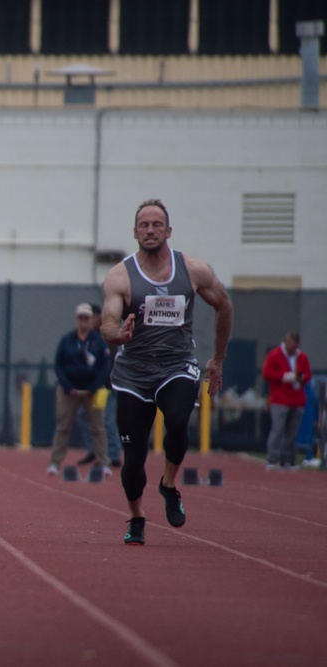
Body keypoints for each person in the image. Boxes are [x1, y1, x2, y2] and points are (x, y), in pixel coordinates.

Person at [101, 199, 233, 546]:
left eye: (156, 224)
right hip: (133, 373)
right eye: (143, 225)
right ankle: (137, 515)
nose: (149, 230)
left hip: (176, 365)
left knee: (177, 420)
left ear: (168, 231)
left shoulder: (192, 270)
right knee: (133, 459)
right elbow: (108, 324)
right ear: (134, 232)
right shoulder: (119, 276)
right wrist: (119, 334)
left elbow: (223, 304)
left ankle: (169, 484)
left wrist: (217, 358)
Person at [46, 303, 111, 477]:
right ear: (76, 319)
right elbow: (58, 365)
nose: (83, 321)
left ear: (91, 320)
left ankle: (103, 463)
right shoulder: (67, 340)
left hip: (93, 390)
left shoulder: (98, 341)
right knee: (63, 426)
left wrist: (93, 387)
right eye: (80, 317)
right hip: (70, 390)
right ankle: (54, 462)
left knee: (98, 427)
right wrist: (68, 387)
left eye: (86, 318)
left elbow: (105, 366)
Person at [76, 303, 122, 467]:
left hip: (105, 388)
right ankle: (95, 451)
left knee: (106, 419)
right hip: (93, 388)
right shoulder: (89, 338)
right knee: (85, 415)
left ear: (97, 317)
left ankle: (114, 454)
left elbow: (107, 364)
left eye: (89, 317)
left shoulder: (105, 336)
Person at [262, 331, 312, 471]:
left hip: (297, 400)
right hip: (280, 399)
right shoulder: (275, 355)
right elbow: (267, 373)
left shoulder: (302, 357)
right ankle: (272, 458)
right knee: (277, 430)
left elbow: (308, 375)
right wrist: (285, 377)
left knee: (292, 432)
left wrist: (300, 377)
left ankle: (288, 459)